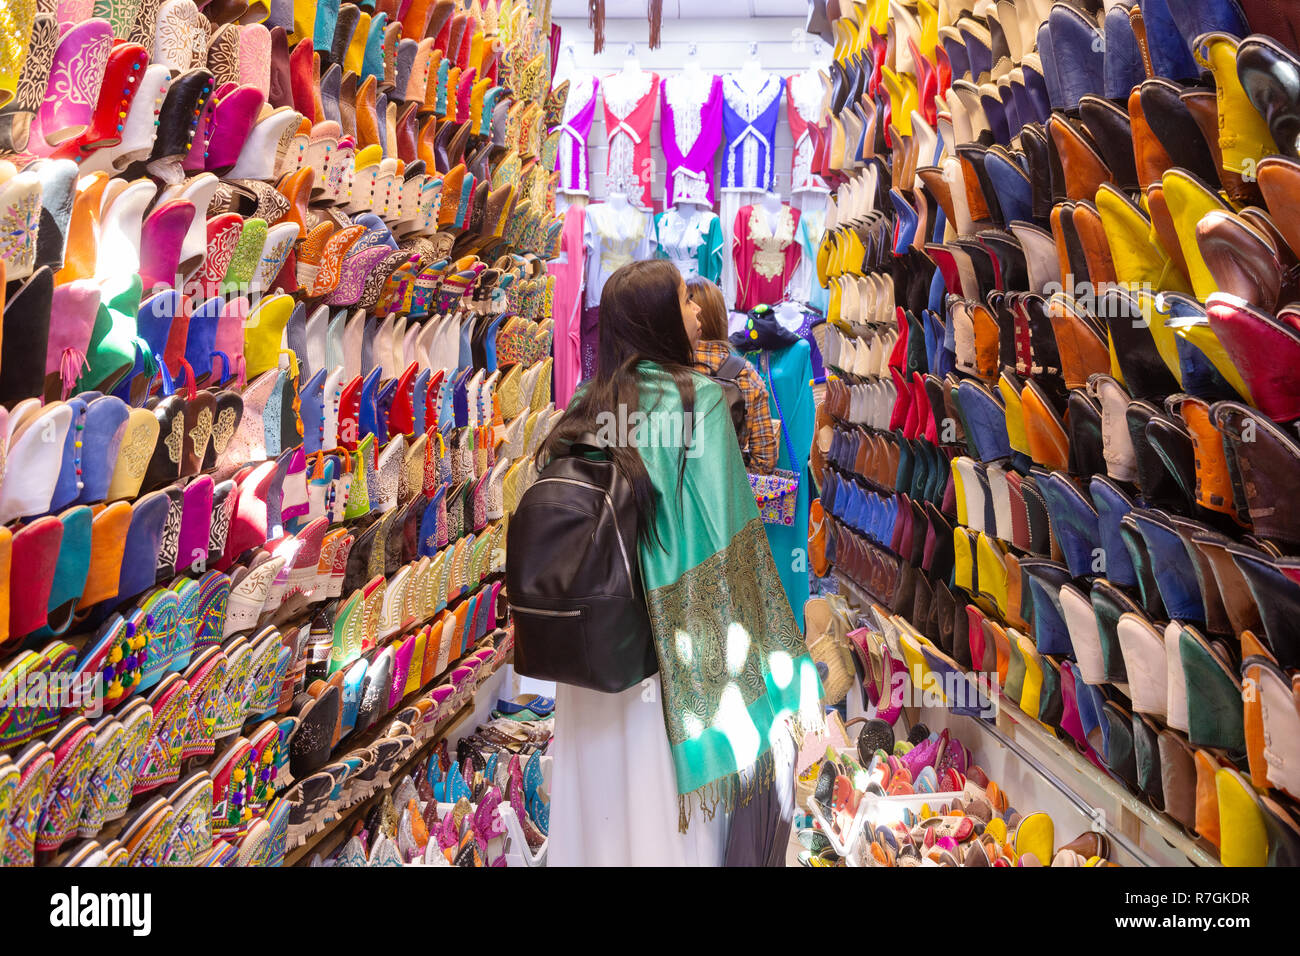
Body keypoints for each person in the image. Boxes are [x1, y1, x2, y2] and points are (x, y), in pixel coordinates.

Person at [539, 259, 822, 867]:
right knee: (656, 813)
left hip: (589, 649)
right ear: (659, 318)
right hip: (663, 658)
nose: (696, 311)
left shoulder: (585, 405)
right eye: (682, 301)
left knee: (599, 807)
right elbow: (732, 539)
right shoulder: (699, 402)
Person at [685, 276, 779, 474]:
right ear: (721, 317)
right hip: (724, 493)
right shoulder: (745, 374)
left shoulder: (664, 366)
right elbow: (765, 460)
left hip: (671, 495)